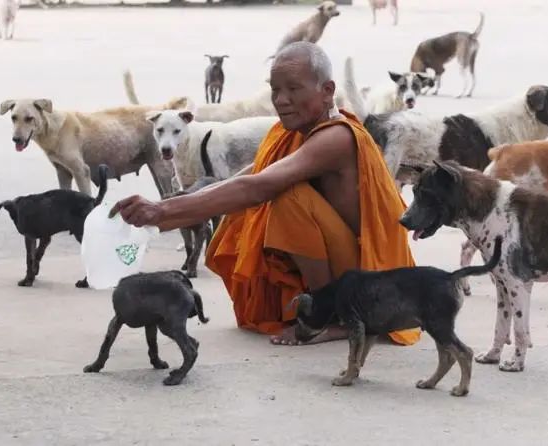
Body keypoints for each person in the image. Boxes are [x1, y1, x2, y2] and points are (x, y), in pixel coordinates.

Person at [110, 42, 420, 346]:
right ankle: (322, 302)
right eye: (275, 90)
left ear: (327, 91)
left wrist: (163, 213)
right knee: (273, 192)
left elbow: (258, 187)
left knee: (289, 196)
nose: (281, 100)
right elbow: (247, 178)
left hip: (368, 278)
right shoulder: (292, 133)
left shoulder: (336, 137)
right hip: (342, 267)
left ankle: (326, 316)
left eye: (293, 89)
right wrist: (162, 211)